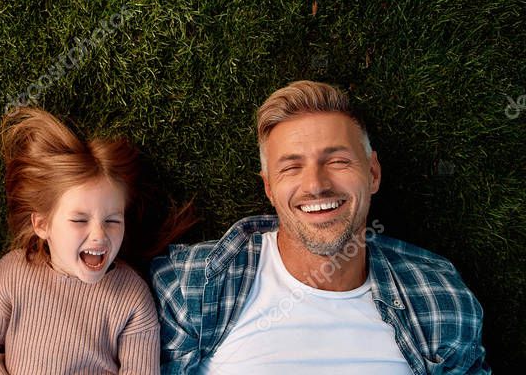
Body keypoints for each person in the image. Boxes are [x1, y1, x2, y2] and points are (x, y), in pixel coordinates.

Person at [150, 80, 489, 374]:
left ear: (372, 174)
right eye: (292, 167)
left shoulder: (439, 295)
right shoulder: (194, 283)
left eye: (337, 161)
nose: (316, 185)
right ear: (269, 188)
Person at [0, 107, 160, 374]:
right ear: (42, 224)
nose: (100, 235)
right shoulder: (11, 274)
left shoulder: (133, 298)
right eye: (79, 220)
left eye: (112, 220)